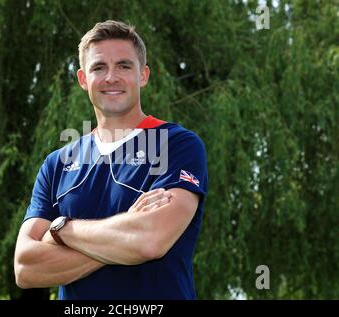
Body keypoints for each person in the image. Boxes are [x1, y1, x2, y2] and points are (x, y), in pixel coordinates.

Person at [14, 20, 208, 300]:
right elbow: (25, 269)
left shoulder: (176, 144)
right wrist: (126, 230)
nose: (111, 77)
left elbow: (150, 241)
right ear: (83, 79)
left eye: (124, 66)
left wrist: (60, 229)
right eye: (99, 67)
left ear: (143, 75)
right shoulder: (57, 164)